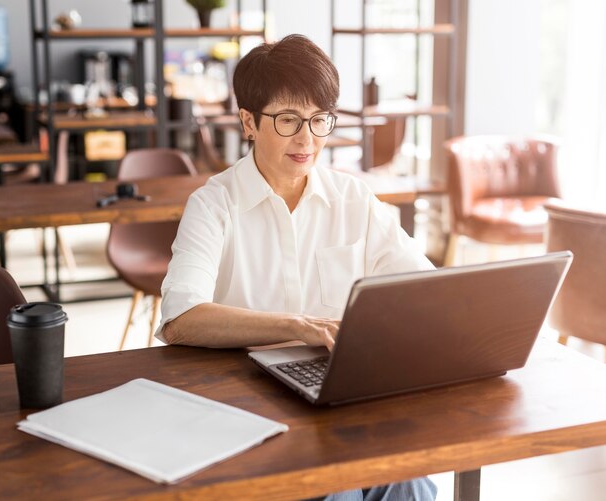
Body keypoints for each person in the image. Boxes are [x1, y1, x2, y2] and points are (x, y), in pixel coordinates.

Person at [156, 34, 437, 501]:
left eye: (319, 119)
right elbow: (180, 320)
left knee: (411, 476)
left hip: (338, 390)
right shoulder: (213, 205)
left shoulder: (353, 199)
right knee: (337, 489)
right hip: (248, 404)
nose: (307, 138)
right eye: (288, 120)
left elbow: (426, 288)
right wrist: (297, 326)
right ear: (248, 121)